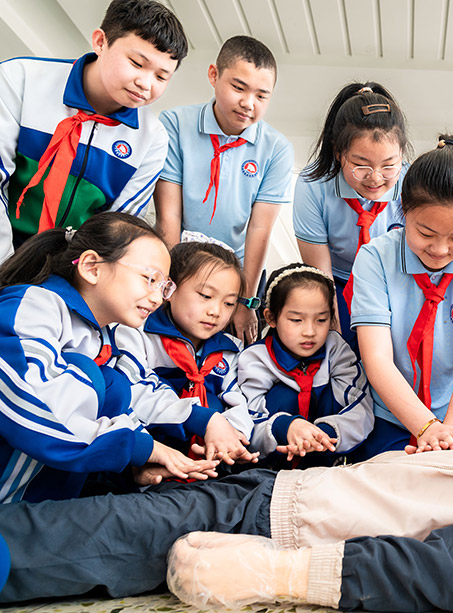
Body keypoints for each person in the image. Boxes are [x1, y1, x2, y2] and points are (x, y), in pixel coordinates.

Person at [0, 446, 453, 612]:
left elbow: (436, 571)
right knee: (86, 522)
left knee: (72, 533)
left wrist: (274, 572)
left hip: (265, 520)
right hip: (273, 492)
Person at [0, 212, 218, 503]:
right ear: (92, 267)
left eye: (164, 286)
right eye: (150, 279)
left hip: (41, 504)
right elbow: (37, 407)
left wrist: (135, 465)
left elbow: (134, 396)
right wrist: (142, 448)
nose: (157, 297)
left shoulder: (109, 334)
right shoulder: (32, 307)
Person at [350, 136, 453, 458]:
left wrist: (450, 436)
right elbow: (377, 357)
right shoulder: (375, 258)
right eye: (425, 234)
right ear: (403, 210)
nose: (440, 249)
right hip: (391, 419)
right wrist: (425, 428)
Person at [0, 0, 187, 260]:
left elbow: (115, 234)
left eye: (161, 77)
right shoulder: (20, 79)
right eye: (136, 62)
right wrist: (7, 268)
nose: (145, 84)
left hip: (67, 269)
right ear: (100, 42)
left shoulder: (152, 140)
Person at [154, 36, 294, 345]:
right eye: (239, 88)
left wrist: (245, 301)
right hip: (179, 260)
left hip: (239, 274)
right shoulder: (175, 123)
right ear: (214, 76)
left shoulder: (277, 149)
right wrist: (168, 282)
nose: (249, 103)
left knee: (230, 353)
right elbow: (169, 215)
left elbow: (259, 228)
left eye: (261, 95)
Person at [110, 240, 257, 466]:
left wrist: (233, 436)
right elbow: (136, 390)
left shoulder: (229, 349)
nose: (215, 311)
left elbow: (238, 401)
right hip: (143, 449)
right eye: (206, 296)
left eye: (228, 303)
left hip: (209, 456)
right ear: (169, 289)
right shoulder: (138, 331)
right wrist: (204, 419)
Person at [293, 82, 409, 350]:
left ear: (402, 155)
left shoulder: (412, 183)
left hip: (393, 279)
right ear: (338, 152)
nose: (375, 178)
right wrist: (334, 335)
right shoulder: (313, 185)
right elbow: (321, 276)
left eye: (389, 165)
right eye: (361, 165)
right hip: (338, 280)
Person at [238, 263, 373, 468]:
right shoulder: (255, 359)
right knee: (283, 395)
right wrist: (286, 427)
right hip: (269, 466)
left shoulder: (336, 350)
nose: (309, 331)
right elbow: (246, 420)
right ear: (271, 318)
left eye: (321, 320)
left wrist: (323, 434)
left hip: (327, 461)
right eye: (296, 320)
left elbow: (361, 407)